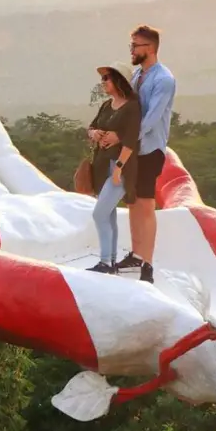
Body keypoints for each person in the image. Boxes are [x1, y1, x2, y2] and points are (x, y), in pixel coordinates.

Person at [99, 25, 176, 283]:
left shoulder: (163, 80)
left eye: (135, 46)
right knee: (132, 202)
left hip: (150, 149)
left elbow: (151, 119)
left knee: (145, 204)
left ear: (150, 48)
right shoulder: (136, 77)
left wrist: (122, 137)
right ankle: (136, 254)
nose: (131, 50)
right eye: (130, 45)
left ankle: (147, 263)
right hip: (132, 149)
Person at [85, 61, 142, 274]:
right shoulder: (107, 105)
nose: (103, 82)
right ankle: (110, 261)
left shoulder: (132, 107)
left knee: (99, 214)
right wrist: (94, 133)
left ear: (119, 80)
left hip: (119, 167)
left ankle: (105, 262)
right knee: (108, 215)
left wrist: (119, 167)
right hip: (102, 164)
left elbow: (131, 140)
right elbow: (91, 127)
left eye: (106, 78)